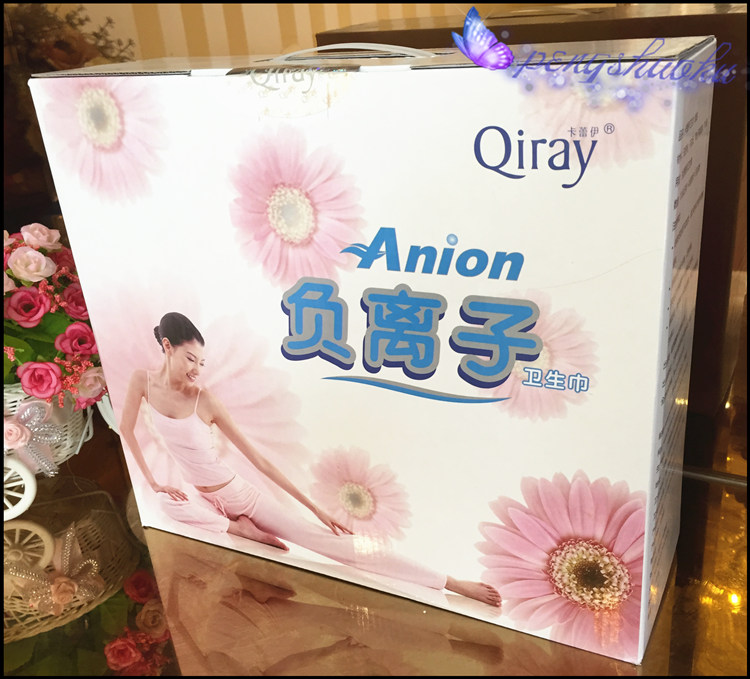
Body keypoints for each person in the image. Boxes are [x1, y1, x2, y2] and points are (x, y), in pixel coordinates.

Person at [120, 312, 501, 607]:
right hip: (200, 498)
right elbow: (126, 429)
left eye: (201, 363)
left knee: (336, 546)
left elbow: (261, 462)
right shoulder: (142, 381)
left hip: (237, 495)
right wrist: (154, 482)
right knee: (164, 504)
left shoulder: (204, 400)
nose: (196, 369)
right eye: (191, 358)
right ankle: (239, 530)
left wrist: (316, 510)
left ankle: (450, 582)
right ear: (167, 347)